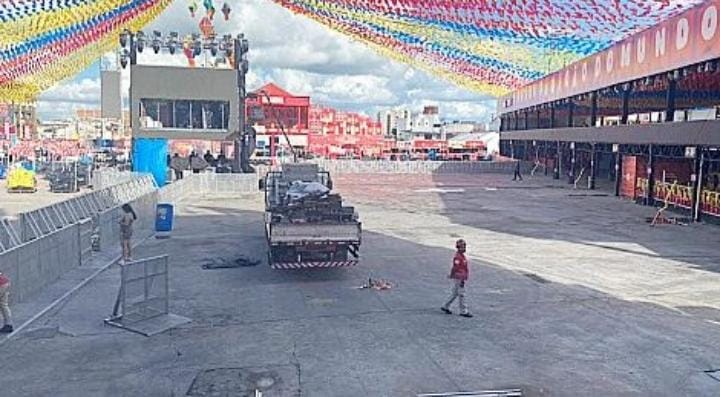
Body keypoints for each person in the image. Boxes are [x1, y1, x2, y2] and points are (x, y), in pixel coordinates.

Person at [441, 239, 473, 318]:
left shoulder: (461, 256)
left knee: (455, 293)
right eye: (463, 247)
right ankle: (463, 311)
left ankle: (445, 306)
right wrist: (454, 276)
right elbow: (456, 267)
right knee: (462, 294)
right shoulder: (458, 257)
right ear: (458, 247)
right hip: (459, 277)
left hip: (460, 276)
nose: (464, 248)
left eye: (465, 246)